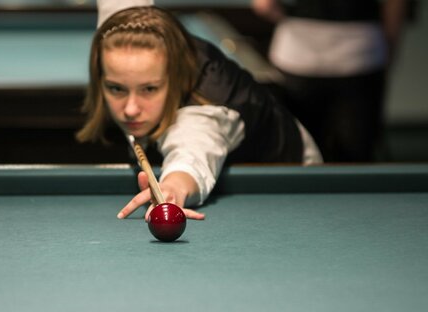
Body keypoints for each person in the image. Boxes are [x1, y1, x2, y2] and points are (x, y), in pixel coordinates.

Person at [77, 1, 322, 221]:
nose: (130, 109)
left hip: (293, 175)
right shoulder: (125, 34)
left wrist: (171, 190)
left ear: (175, 79)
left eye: (149, 89)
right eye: (116, 88)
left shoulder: (204, 112)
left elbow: (192, 153)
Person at [252, 0, 408, 162]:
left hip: (315, 56)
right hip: (353, 54)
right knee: (352, 160)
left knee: (302, 156)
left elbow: (264, 5)